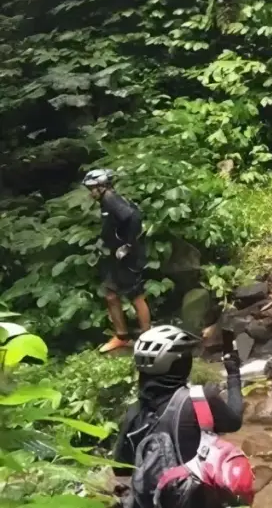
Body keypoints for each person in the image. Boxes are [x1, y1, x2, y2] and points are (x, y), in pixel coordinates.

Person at [112, 325, 243, 473]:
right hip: (194, 493)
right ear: (179, 365)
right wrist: (233, 374)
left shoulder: (134, 411)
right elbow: (235, 421)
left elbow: (120, 469)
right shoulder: (199, 399)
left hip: (153, 494)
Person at [83, 168, 152, 353]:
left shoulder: (111, 199)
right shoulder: (105, 201)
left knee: (135, 296)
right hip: (115, 256)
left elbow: (134, 218)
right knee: (111, 294)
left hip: (128, 257)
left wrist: (129, 245)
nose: (91, 192)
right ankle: (122, 336)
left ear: (103, 186)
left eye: (93, 188)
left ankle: (148, 338)